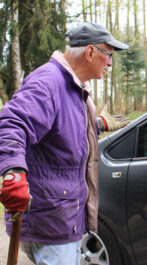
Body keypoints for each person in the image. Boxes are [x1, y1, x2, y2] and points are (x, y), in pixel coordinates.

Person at [0, 22, 130, 264]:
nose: (111, 62)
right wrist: (14, 172)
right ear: (90, 52)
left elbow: (61, 128)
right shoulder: (48, 83)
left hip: (65, 215)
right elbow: (12, 123)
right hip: (50, 220)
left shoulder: (73, 88)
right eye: (108, 54)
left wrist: (97, 124)